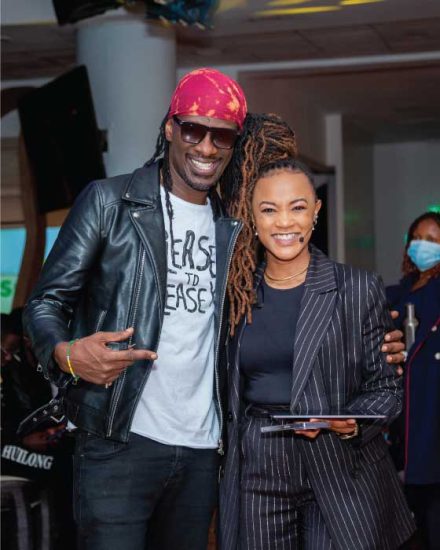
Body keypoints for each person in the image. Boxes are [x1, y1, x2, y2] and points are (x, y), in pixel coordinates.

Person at [22, 79, 404, 549]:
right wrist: (67, 355)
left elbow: (287, 304)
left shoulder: (237, 224)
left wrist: (374, 344)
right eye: (192, 130)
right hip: (118, 439)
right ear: (170, 128)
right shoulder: (110, 203)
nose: (205, 147)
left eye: (221, 135)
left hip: (203, 449)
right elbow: (45, 302)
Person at [218, 114, 416, 550]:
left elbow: (387, 389)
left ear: (316, 212)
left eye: (297, 207)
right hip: (258, 463)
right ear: (252, 216)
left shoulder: (357, 288)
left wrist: (350, 424)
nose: (284, 223)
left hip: (339, 464)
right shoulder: (233, 295)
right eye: (268, 209)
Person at [386, 212, 440, 550]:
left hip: (431, 418)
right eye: (417, 238)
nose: (423, 245)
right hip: (401, 419)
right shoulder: (397, 293)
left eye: (432, 240)